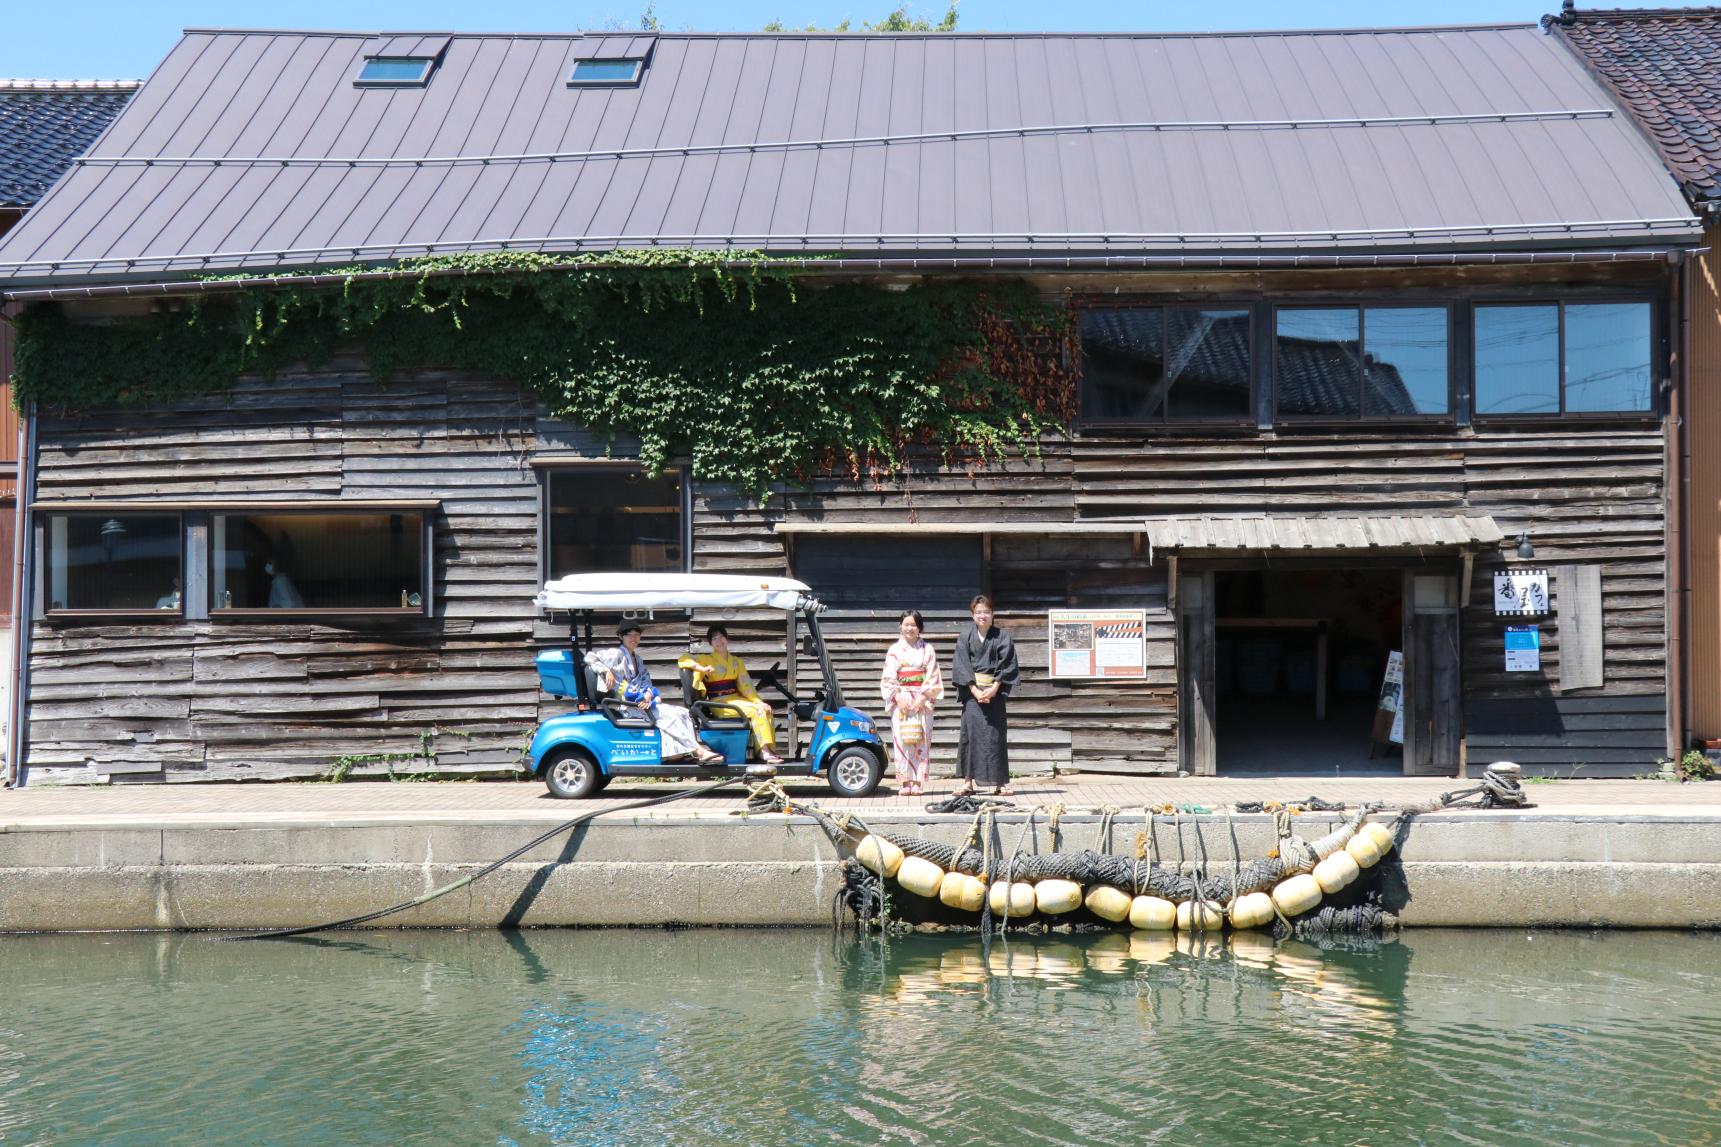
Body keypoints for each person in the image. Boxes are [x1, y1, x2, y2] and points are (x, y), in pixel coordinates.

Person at [592, 621, 723, 764]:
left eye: (637, 635)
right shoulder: (615, 654)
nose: (634, 638)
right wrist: (605, 671)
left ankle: (673, 754)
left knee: (682, 712)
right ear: (620, 637)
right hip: (626, 705)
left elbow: (646, 681)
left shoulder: (638, 659)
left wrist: (648, 694)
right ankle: (699, 751)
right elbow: (590, 657)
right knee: (669, 716)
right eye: (629, 635)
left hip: (641, 702)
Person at [679, 624, 783, 765]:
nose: (719, 641)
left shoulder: (736, 662)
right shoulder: (706, 659)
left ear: (727, 639)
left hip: (735, 699)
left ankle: (765, 750)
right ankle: (764, 751)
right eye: (714, 638)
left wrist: (759, 701)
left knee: (765, 709)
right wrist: (701, 668)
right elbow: (683, 659)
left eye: (721, 637)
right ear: (710, 643)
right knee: (757, 711)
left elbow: (746, 686)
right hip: (718, 702)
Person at [952, 594, 1020, 796]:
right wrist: (973, 690)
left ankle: (1000, 783)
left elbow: (1007, 664)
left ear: (993, 614)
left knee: (995, 738)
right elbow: (961, 666)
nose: (983, 616)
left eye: (986, 612)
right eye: (978, 612)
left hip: (994, 694)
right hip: (972, 695)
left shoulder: (1002, 637)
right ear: (973, 615)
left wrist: (994, 688)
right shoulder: (965, 637)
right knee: (970, 737)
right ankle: (967, 782)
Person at [880, 609, 942, 796]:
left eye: (913, 625)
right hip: (901, 699)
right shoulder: (894, 650)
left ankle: (918, 781)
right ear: (901, 626)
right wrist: (897, 698)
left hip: (922, 699)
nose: (909, 628)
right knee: (901, 739)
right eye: (906, 624)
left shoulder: (928, 650)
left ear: (919, 627)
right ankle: (904, 782)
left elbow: (933, 676)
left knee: (922, 740)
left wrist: (923, 698)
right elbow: (888, 677)